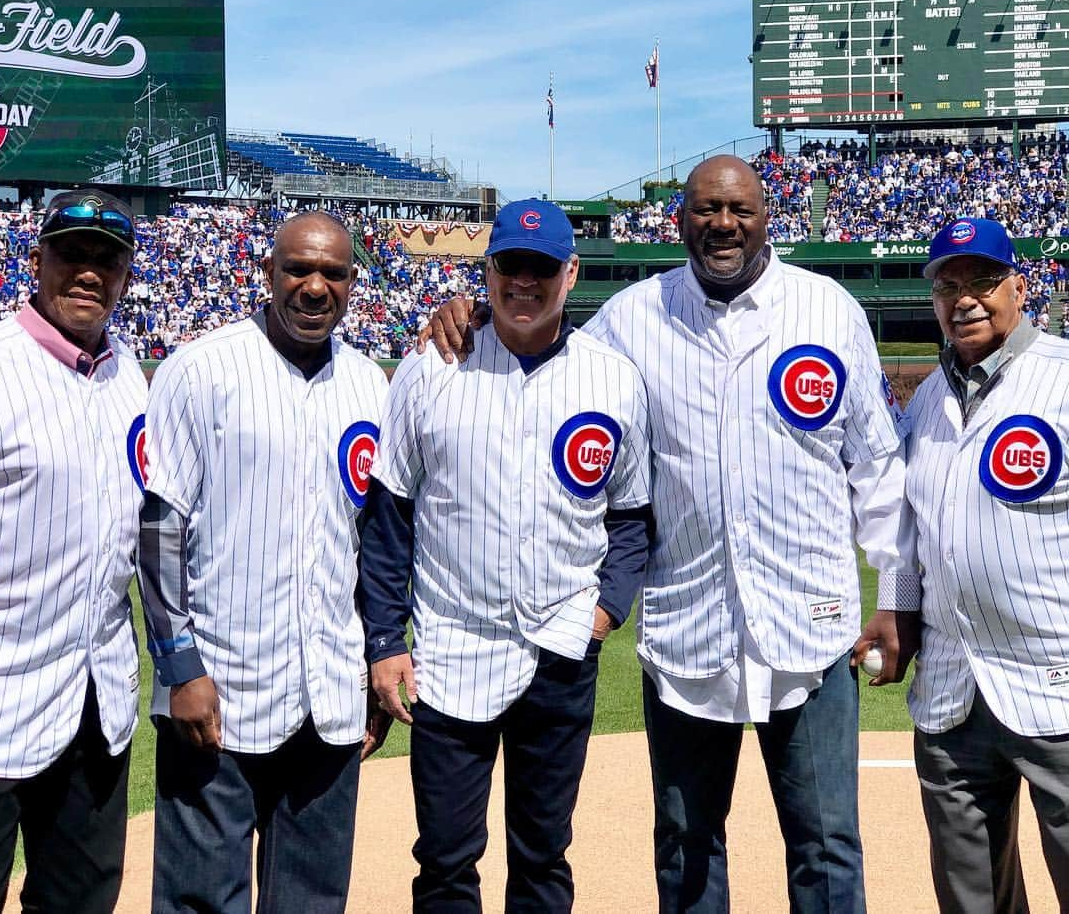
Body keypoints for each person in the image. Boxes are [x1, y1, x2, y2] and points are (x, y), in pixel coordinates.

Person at [422, 157, 919, 913]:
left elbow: (878, 470)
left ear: (766, 216)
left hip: (811, 626)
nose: (723, 224)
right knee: (687, 843)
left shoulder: (829, 309)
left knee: (825, 842)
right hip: (690, 629)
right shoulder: (631, 318)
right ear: (679, 219)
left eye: (740, 209)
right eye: (706, 209)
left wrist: (895, 594)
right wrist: (477, 312)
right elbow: (552, 348)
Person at [359, 199, 653, 912]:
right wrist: (383, 640)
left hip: (559, 647)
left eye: (541, 267)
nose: (524, 281)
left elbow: (633, 517)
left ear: (571, 272)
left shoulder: (613, 379)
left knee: (543, 852)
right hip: (449, 650)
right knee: (446, 859)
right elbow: (389, 514)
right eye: (508, 266)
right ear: (486, 271)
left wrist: (605, 611)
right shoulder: (432, 368)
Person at [137, 211, 390, 914]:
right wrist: (179, 665)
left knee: (311, 901)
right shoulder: (200, 367)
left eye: (333, 273)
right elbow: (158, 525)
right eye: (298, 269)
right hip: (216, 693)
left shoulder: (371, 385)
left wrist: (378, 658)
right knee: (200, 901)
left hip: (329, 698)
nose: (315, 286)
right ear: (267, 272)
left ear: (352, 283)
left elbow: (376, 545)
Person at [902, 216, 1069, 911]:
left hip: (1055, 684)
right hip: (950, 692)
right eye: (948, 283)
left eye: (982, 279)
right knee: (973, 901)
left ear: (1020, 287)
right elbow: (906, 530)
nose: (963, 297)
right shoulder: (923, 401)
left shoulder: (1061, 378)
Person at [0, 190, 146, 913]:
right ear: (35, 259)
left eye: (106, 259)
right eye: (72, 253)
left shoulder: (130, 377)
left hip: (97, 705)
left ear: (124, 274)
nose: (90, 271)